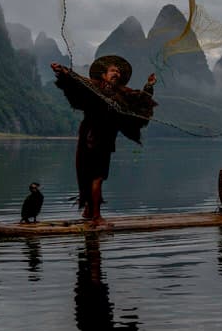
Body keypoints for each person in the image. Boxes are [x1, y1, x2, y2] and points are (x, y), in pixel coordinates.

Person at [51, 55, 157, 225]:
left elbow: (139, 101)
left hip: (106, 140)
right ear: (103, 74)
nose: (117, 73)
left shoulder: (122, 93)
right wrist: (63, 71)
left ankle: (88, 211)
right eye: (113, 70)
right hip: (93, 137)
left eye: (119, 72)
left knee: (94, 176)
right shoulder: (95, 86)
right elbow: (78, 81)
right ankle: (96, 217)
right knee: (97, 177)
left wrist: (149, 86)